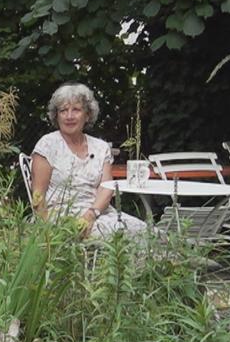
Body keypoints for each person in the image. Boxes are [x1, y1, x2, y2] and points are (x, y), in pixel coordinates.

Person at [30, 82, 146, 238]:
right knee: (120, 235)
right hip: (61, 218)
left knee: (146, 231)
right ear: (56, 116)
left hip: (98, 214)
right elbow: (38, 195)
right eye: (63, 110)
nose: (69, 116)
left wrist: (91, 214)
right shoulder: (47, 145)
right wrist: (48, 233)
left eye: (76, 110)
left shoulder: (100, 147)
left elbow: (106, 188)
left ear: (88, 114)